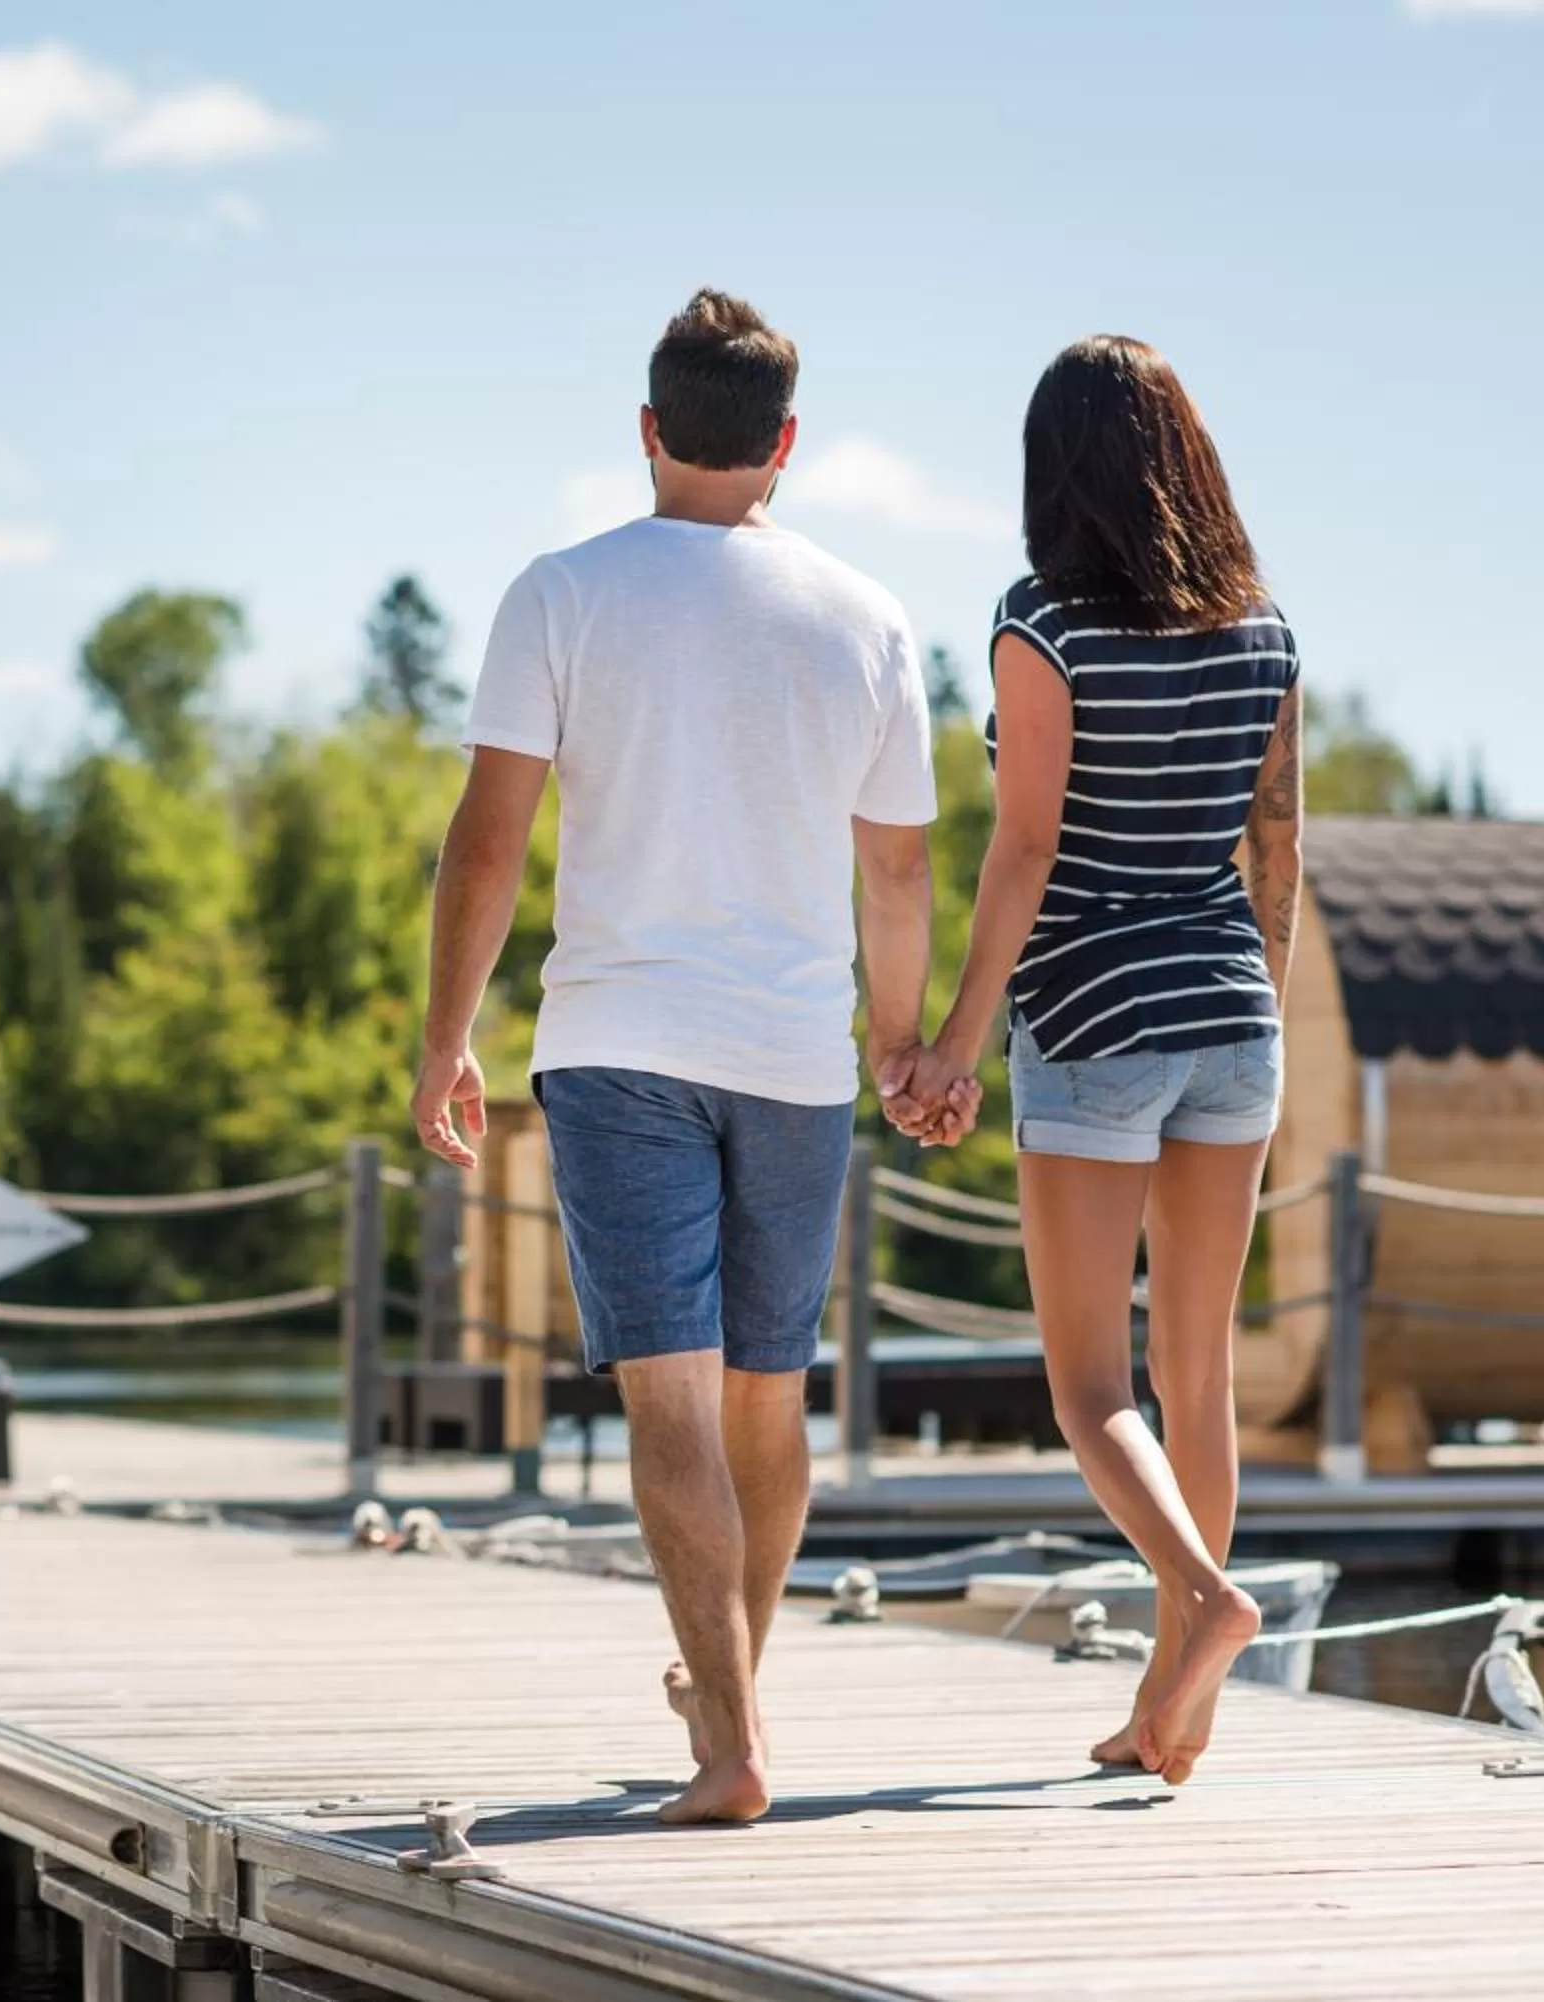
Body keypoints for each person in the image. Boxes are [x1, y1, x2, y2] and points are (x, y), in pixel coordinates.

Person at [412, 288, 960, 1826]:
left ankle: (727, 1740)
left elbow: (490, 838)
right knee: (768, 1403)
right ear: (785, 443)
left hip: (618, 1044)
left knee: (670, 1402)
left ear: (649, 431)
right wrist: (905, 1039)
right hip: (795, 1054)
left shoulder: (561, 591)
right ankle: (734, 1702)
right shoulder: (867, 615)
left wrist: (447, 1037)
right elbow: (902, 873)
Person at [896, 335, 1305, 1786]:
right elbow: (1276, 848)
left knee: (1087, 1384)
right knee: (1194, 1374)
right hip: (1233, 1021)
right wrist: (1263, 1007)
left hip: (1091, 1021)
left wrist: (951, 1039)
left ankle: (1203, 1604)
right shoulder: (1264, 628)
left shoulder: (1041, 623)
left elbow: (1023, 847)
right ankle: (1172, 1715)